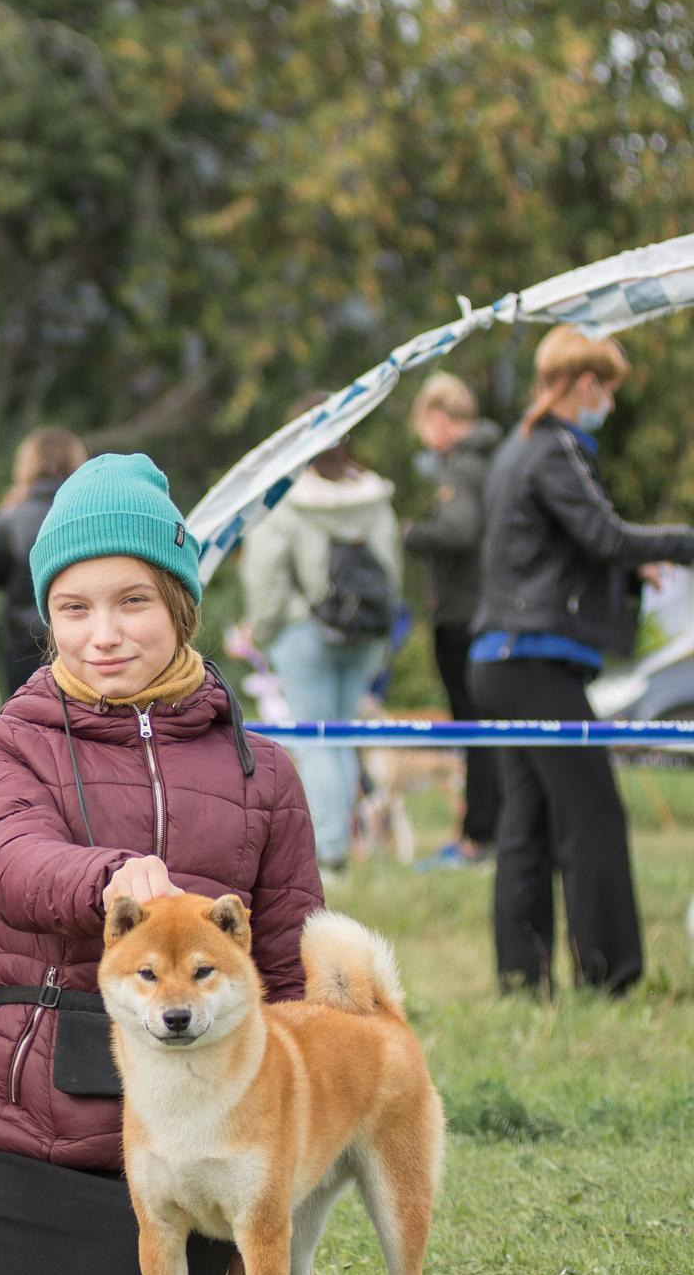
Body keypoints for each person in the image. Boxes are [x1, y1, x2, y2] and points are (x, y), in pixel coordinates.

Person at [0, 453, 321, 1275]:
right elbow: (16, 865)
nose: (104, 634)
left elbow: (289, 968)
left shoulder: (265, 771)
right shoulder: (0, 746)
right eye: (75, 607)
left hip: (202, 1135)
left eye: (132, 601)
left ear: (181, 604)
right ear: (47, 616)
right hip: (30, 1120)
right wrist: (110, 877)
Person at [469, 327, 694, 995]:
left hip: (500, 658)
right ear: (587, 384)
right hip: (535, 657)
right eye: (609, 390)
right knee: (594, 815)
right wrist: (684, 542)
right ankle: (611, 977)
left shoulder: (518, 448)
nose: (611, 405)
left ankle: (522, 980)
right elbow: (603, 532)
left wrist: (632, 571)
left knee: (526, 825)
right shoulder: (558, 449)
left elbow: (559, 550)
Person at [235, 401, 403, 879]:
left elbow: (266, 573)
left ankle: (329, 853)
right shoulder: (372, 495)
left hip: (303, 631)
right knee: (343, 735)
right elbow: (392, 568)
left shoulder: (286, 496)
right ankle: (343, 840)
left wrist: (264, 632)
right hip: (364, 633)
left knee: (317, 739)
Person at [403, 373, 502, 869]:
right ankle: (488, 829)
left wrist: (411, 533)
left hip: (464, 616)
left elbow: (460, 530)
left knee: (475, 728)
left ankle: (475, 837)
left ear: (439, 418)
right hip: (487, 611)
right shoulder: (492, 458)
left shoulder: (461, 469)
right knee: (490, 728)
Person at [0, 427, 86, 694]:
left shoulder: (9, 516)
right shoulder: (91, 512)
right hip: (83, 633)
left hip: (23, 641)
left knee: (26, 723)